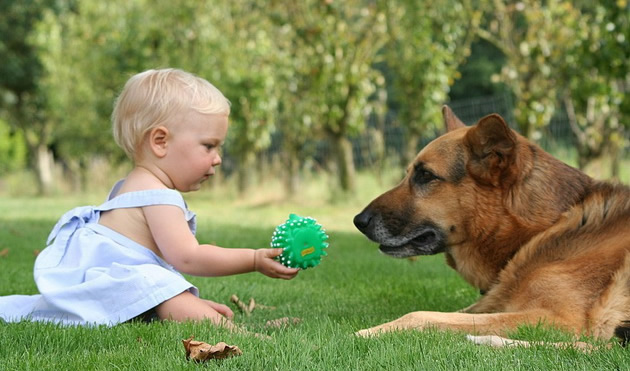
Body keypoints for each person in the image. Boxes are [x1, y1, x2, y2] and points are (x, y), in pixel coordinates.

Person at [0, 68, 299, 329]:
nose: (217, 159)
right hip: (115, 285)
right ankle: (243, 335)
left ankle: (203, 314)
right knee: (162, 288)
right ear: (160, 142)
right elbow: (187, 257)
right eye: (208, 146)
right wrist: (255, 258)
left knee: (165, 290)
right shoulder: (159, 196)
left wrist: (187, 300)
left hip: (108, 287)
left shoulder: (128, 185)